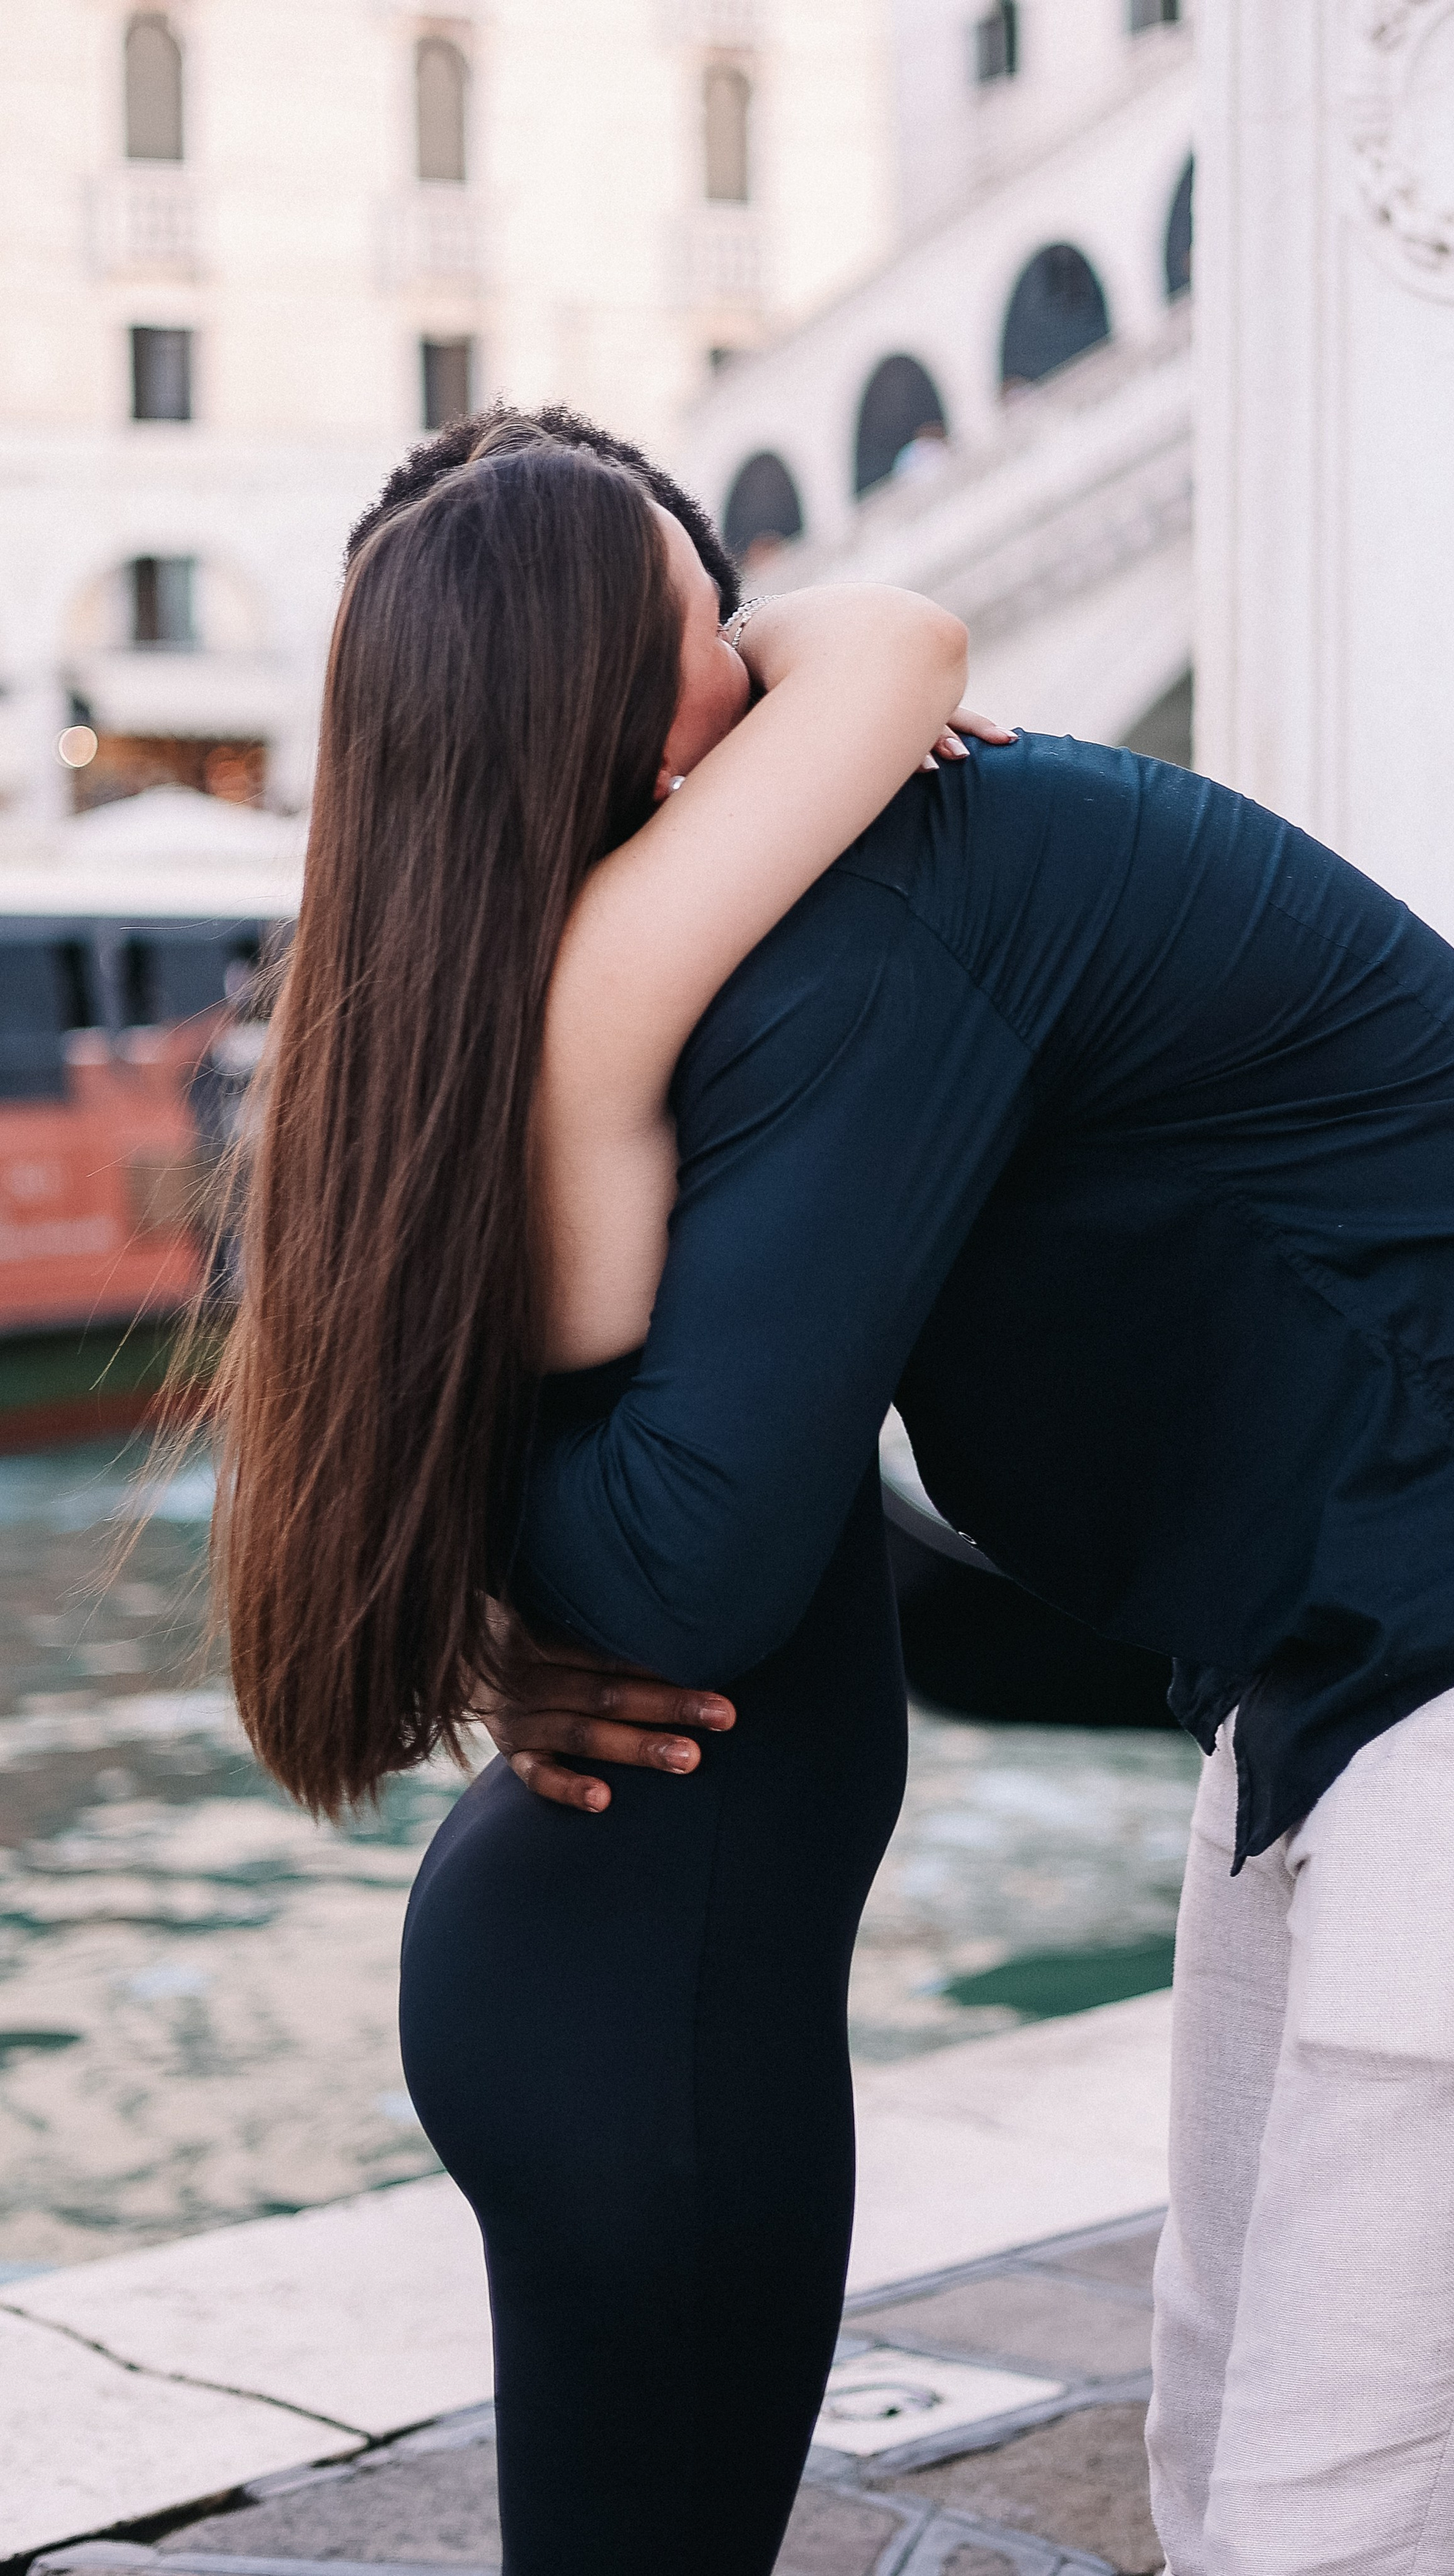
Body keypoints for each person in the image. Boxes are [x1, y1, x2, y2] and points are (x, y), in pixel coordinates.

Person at [462, 470, 1454, 2567]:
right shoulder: (801, 935)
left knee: (1343, 2529)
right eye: (718, 618)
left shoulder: (893, 902)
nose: (754, 655)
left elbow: (699, 1547)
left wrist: (510, 1550)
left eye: (749, 616)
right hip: (1349, 1656)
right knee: (1235, 2474)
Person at [215, 403, 1008, 2574]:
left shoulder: (459, 1039)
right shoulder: (618, 990)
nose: (753, 672)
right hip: (651, 2015)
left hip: (601, 1969)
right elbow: (904, 635)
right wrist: (830, 711)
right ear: (578, 719)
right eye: (705, 626)